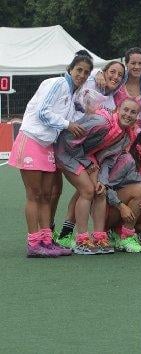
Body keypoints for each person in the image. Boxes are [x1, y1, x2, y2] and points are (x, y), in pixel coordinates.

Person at [8, 51, 91, 257]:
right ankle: (34, 243)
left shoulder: (72, 95)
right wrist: (67, 124)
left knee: (47, 196)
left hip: (46, 145)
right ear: (70, 69)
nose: (82, 75)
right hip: (31, 140)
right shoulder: (57, 84)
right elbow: (42, 113)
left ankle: (46, 241)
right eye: (79, 70)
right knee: (34, 195)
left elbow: (75, 120)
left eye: (86, 73)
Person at [55, 97, 140, 255]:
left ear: (137, 117)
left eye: (133, 112)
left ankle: (99, 237)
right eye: (125, 110)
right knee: (87, 191)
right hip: (67, 152)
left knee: (100, 190)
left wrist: (103, 180)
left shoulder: (125, 137)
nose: (128, 114)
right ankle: (81, 240)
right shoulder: (101, 122)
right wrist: (85, 163)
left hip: (87, 157)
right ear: (117, 110)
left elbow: (108, 160)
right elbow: (68, 138)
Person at [104, 128, 141, 252]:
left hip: (130, 207)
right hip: (109, 209)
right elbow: (106, 186)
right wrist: (121, 206)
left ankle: (118, 233)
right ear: (139, 144)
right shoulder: (128, 159)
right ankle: (127, 237)